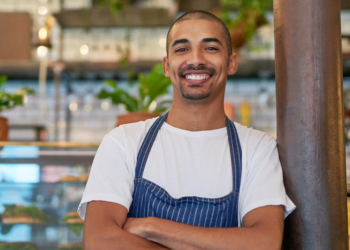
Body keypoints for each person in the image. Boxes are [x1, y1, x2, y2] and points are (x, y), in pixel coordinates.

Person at [78, 10, 295, 250]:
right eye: (182, 49)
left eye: (211, 48)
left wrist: (152, 227)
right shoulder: (124, 142)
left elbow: (264, 243)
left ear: (232, 63)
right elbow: (100, 241)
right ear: (166, 65)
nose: (196, 59)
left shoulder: (257, 149)